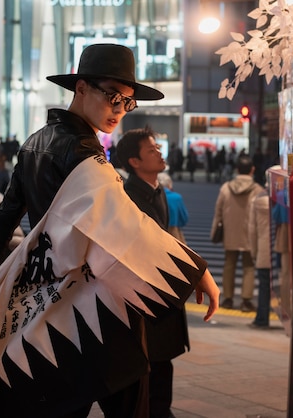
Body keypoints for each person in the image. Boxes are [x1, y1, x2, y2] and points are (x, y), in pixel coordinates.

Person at [0, 44, 218, 418]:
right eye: (112, 96)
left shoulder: (34, 144)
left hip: (53, 306)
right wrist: (195, 270)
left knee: (66, 402)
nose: (119, 108)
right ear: (81, 88)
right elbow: (125, 223)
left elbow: (4, 218)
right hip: (102, 309)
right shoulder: (84, 151)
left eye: (128, 102)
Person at [117, 127, 210, 418]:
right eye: (151, 150)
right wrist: (199, 274)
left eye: (158, 147)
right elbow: (154, 246)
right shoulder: (130, 196)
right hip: (145, 299)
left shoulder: (156, 191)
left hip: (160, 298)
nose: (159, 152)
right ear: (134, 161)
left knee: (160, 367)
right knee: (149, 374)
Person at [210, 154, 264, 312]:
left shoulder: (226, 188)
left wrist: (215, 232)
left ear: (237, 169)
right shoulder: (257, 190)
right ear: (252, 170)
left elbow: (218, 211)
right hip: (250, 234)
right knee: (248, 266)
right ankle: (246, 301)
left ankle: (227, 299)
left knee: (229, 265)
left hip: (230, 233)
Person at [248, 189, 272, 328]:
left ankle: (262, 318)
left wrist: (254, 252)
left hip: (263, 250)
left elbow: (252, 229)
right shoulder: (286, 200)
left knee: (264, 286)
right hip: (282, 249)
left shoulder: (257, 201)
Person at [157, 172, 188, 244]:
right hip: (173, 233)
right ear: (169, 184)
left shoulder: (153, 196)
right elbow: (184, 219)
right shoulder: (176, 198)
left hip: (155, 233)